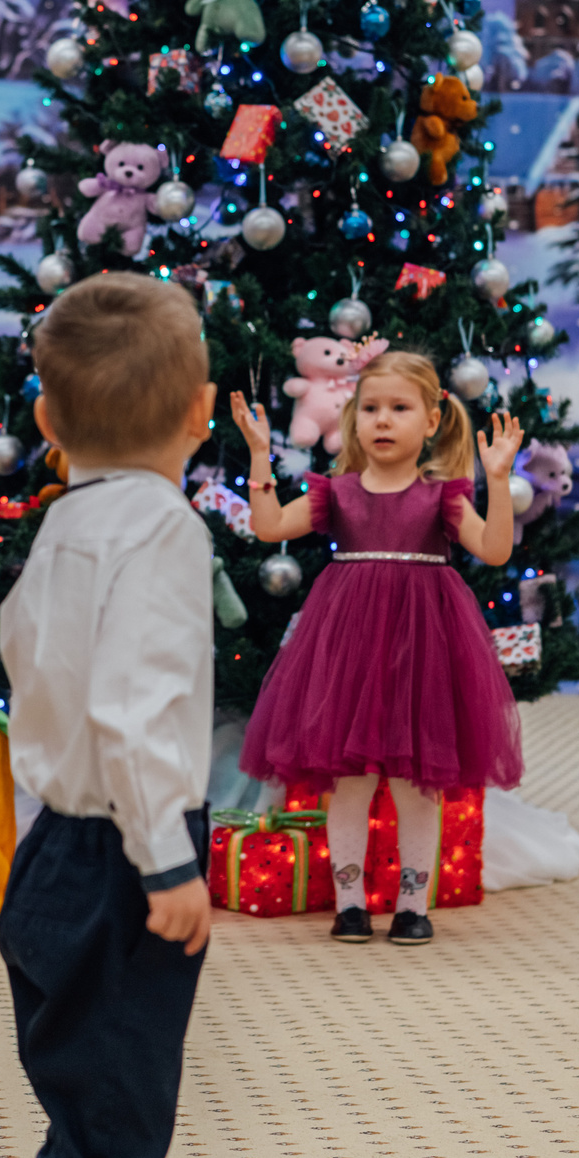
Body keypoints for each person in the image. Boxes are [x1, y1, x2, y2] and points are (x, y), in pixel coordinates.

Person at [0, 273, 224, 1158]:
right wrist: (169, 864)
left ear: (45, 421)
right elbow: (134, 707)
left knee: (97, 1112)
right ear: (200, 412)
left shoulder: (62, 524)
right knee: (110, 1131)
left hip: (57, 850)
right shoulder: (165, 530)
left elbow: (35, 685)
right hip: (124, 856)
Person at [228, 353, 527, 945]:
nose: (382, 421)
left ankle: (413, 905)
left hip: (424, 649)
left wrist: (497, 479)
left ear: (432, 419)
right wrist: (261, 454)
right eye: (370, 409)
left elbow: (493, 551)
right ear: (352, 419)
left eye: (398, 408)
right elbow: (267, 527)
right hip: (347, 649)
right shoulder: (335, 492)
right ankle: (349, 904)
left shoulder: (442, 497)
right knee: (349, 779)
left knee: (420, 783)